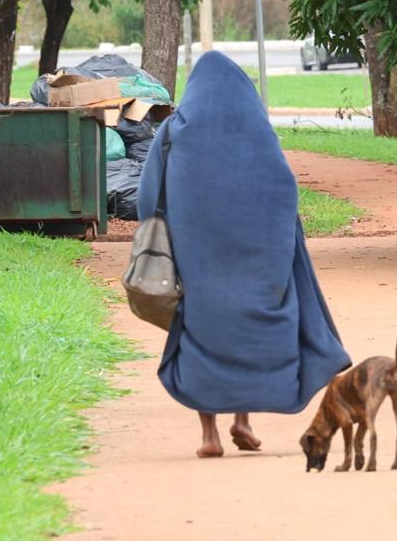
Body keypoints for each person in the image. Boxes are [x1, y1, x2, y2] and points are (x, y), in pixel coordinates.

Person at [137, 51, 350, 457]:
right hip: (256, 256)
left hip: (196, 258)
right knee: (246, 329)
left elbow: (148, 197)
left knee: (202, 332)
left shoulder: (173, 134)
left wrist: (167, 234)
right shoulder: (258, 132)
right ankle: (243, 420)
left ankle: (210, 435)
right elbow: (285, 189)